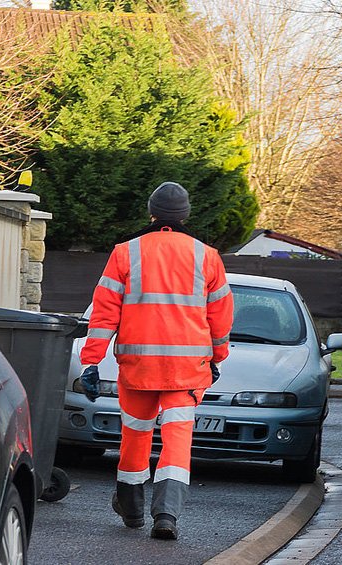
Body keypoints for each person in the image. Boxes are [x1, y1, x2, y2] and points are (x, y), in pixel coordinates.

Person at [78, 182, 234, 540]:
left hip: (138, 368)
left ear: (152, 212)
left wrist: (91, 361)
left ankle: (131, 510)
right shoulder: (206, 256)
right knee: (178, 440)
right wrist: (217, 357)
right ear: (185, 215)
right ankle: (167, 515)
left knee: (135, 436)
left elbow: (104, 314)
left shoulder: (125, 252)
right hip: (187, 371)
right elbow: (221, 317)